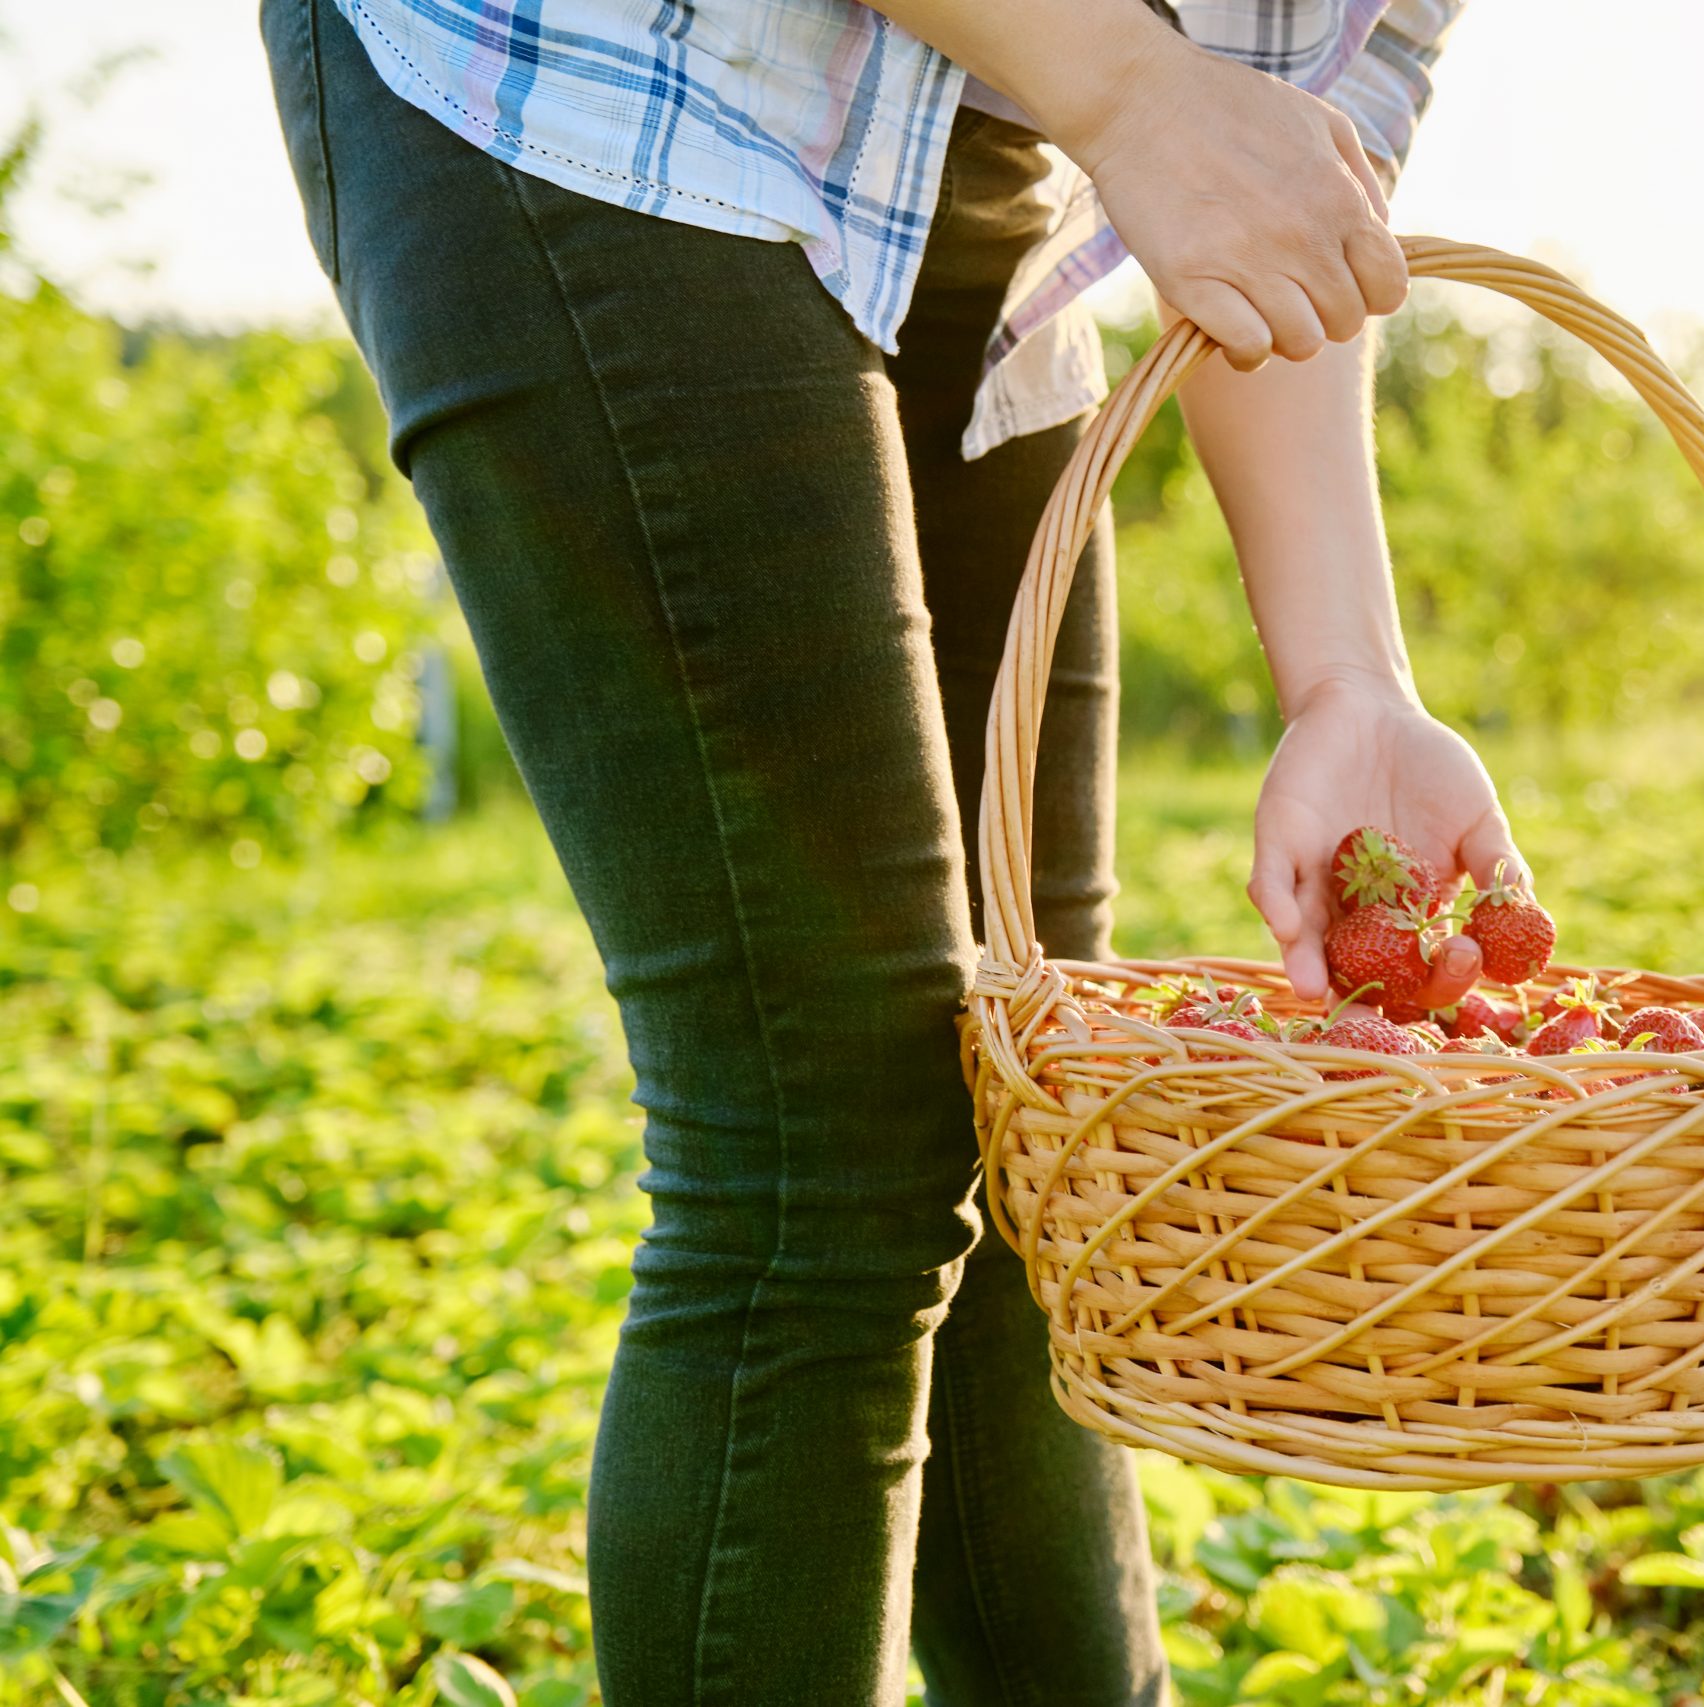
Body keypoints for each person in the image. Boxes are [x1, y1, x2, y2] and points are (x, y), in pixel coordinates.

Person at [260, 0, 1516, 1700]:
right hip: (605, 74)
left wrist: (1349, 679)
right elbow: (1180, 108)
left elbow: (1285, 196)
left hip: (972, 160)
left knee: (1035, 1124)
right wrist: (1133, 85)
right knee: (824, 1143)